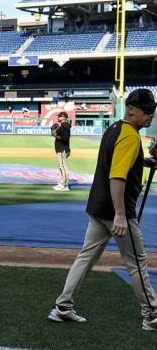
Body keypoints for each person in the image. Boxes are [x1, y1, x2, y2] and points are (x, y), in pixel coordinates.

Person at [48, 88, 157, 330]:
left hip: (98, 207)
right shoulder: (130, 136)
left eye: (153, 111)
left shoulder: (115, 129)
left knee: (85, 257)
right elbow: (117, 176)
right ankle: (151, 314)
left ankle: (63, 306)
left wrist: (145, 161)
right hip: (116, 211)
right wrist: (120, 214)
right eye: (146, 111)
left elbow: (116, 162)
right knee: (137, 262)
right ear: (131, 109)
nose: (150, 115)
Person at [51, 111, 71, 191]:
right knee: (61, 166)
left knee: (63, 167)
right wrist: (55, 133)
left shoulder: (65, 127)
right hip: (61, 149)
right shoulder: (62, 126)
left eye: (59, 116)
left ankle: (65, 185)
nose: (58, 117)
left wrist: (56, 135)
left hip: (62, 149)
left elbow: (65, 138)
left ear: (63, 117)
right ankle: (62, 182)